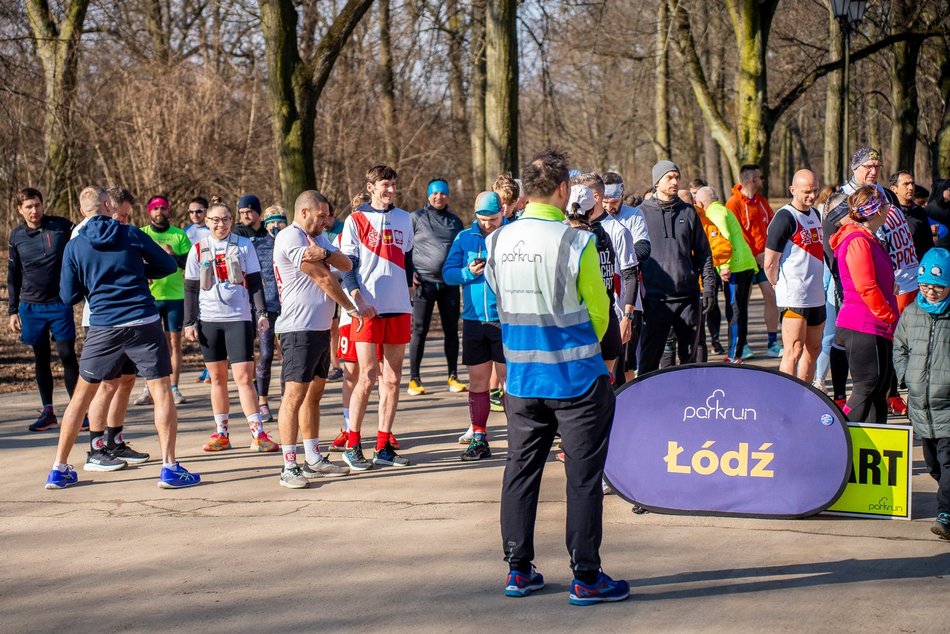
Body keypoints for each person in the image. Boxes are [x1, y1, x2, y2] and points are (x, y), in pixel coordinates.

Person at [483, 147, 627, 604]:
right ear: (564, 190)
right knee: (582, 478)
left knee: (520, 472)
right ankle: (586, 576)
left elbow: (496, 295)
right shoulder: (577, 241)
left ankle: (518, 570)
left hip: (522, 379)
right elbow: (599, 312)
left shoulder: (496, 241)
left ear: (526, 191)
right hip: (576, 379)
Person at [47, 185, 199, 490]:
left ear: (82, 211)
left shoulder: (75, 245)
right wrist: (142, 270)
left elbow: (67, 295)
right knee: (161, 391)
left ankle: (59, 469)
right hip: (142, 320)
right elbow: (168, 265)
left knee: (81, 396)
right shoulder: (128, 233)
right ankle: (169, 468)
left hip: (103, 325)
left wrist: (91, 285)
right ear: (107, 204)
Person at [272, 190, 358, 488]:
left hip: (320, 328)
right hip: (297, 329)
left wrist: (323, 252)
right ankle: (288, 465)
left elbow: (347, 264)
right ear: (304, 212)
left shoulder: (320, 240)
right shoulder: (289, 237)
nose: (326, 221)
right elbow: (323, 277)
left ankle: (312, 458)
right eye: (321, 216)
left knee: (314, 395)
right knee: (293, 396)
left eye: (327, 215)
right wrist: (350, 308)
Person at [183, 197, 278, 453]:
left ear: (231, 221)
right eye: (215, 220)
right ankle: (221, 433)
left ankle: (258, 434)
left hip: (238, 318)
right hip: (209, 320)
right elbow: (191, 289)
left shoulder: (243, 245)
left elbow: (256, 282)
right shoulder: (199, 248)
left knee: (244, 378)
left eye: (225, 220)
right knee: (217, 378)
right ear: (207, 221)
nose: (220, 225)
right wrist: (189, 322)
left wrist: (261, 313)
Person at [339, 164, 414, 470]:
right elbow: (348, 265)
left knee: (393, 379)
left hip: (398, 307)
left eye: (394, 184)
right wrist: (356, 298)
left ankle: (383, 445)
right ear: (370, 187)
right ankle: (353, 443)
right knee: (367, 377)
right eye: (386, 184)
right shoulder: (355, 219)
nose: (391, 190)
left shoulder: (405, 218)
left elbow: (407, 259)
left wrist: (407, 293)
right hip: (367, 308)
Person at [73, 187, 150, 472]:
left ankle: (115, 440)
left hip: (130, 317)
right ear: (107, 207)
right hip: (102, 321)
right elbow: (79, 279)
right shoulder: (81, 235)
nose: (125, 221)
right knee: (106, 384)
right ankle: (96, 448)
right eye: (122, 215)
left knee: (126, 381)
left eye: (129, 217)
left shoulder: (122, 232)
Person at [8, 187, 80, 432]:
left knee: (68, 356)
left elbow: (84, 239)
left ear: (43, 204)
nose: (34, 210)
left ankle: (78, 412)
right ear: (20, 209)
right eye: (28, 206)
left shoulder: (61, 226)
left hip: (60, 304)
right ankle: (48, 412)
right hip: (31, 307)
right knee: (41, 359)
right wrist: (12, 310)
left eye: (37, 204)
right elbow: (13, 275)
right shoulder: (16, 236)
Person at [442, 191, 506, 460]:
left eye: (493, 219)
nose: (488, 224)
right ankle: (479, 437)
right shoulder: (464, 238)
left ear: (503, 212)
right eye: (483, 219)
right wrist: (468, 272)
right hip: (474, 320)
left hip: (506, 320)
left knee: (509, 382)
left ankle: (520, 436)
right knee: (478, 381)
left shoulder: (513, 235)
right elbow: (447, 273)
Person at [637, 161, 716, 374]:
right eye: (669, 177)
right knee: (650, 360)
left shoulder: (689, 212)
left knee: (690, 359)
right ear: (657, 182)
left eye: (677, 177)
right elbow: (630, 260)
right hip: (655, 300)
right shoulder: (640, 214)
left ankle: (690, 403)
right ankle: (648, 403)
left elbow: (703, 253)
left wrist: (709, 286)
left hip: (688, 297)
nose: (675, 181)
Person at [893, 248, 950, 540]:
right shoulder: (912, 312)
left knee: (948, 459)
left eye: (939, 286)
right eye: (926, 285)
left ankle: (946, 514)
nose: (931, 291)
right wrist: (905, 375)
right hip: (920, 405)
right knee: (933, 464)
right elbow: (899, 346)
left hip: (947, 405)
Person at [829, 186, 898, 423]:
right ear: (875, 211)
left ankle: (874, 450)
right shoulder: (857, 240)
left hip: (875, 325)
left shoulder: (870, 238)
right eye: (886, 205)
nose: (890, 209)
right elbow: (865, 286)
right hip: (864, 325)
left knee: (879, 391)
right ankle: (837, 438)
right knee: (866, 387)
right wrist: (888, 316)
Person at [568, 173, 640, 375]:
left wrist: (627, 316)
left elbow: (629, 274)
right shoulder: (567, 234)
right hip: (581, 316)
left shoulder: (616, 230)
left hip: (611, 315)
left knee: (611, 379)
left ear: (596, 197)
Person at [764, 170, 826, 383]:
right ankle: (784, 398)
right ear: (793, 190)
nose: (812, 196)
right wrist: (776, 285)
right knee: (794, 349)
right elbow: (770, 261)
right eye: (807, 192)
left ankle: (804, 396)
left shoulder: (816, 214)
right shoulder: (784, 217)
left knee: (814, 349)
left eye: (815, 191)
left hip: (816, 293)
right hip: (794, 295)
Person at [407, 178, 466, 396]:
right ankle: (414, 379)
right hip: (424, 282)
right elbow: (405, 248)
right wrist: (409, 272)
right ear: (428, 195)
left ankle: (453, 376)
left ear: (448, 196)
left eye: (442, 193)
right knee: (419, 330)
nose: (438, 197)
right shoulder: (416, 218)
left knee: (451, 330)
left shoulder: (455, 221)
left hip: (449, 283)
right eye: (435, 193)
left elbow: (461, 250)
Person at [135, 195, 192, 407]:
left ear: (169, 211)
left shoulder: (179, 235)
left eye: (163, 208)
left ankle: (174, 387)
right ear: (149, 212)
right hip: (149, 296)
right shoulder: (142, 233)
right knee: (147, 345)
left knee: (174, 344)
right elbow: (132, 260)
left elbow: (191, 263)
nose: (160, 212)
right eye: (155, 208)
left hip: (175, 296)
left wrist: (173, 256)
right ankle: (147, 388)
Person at [233, 195, 282, 423]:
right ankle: (253, 398)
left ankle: (263, 401)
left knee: (265, 354)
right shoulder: (236, 235)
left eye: (248, 212)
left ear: (258, 213)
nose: (244, 216)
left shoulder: (272, 237)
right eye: (241, 212)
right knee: (246, 356)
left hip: (269, 302)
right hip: (242, 303)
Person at [695, 186, 758, 363]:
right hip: (743, 264)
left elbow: (724, 238)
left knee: (735, 311)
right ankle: (739, 350)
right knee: (739, 310)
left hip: (735, 267)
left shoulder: (714, 213)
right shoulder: (722, 209)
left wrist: (724, 266)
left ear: (700, 203)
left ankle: (734, 354)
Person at [726, 164, 781, 358]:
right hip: (745, 262)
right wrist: (754, 254)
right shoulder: (733, 203)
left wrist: (769, 252)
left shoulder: (761, 201)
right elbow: (736, 233)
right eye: (760, 177)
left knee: (771, 296)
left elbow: (773, 225)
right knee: (742, 303)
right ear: (752, 180)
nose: (763, 180)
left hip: (764, 260)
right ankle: (743, 344)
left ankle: (773, 343)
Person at [890, 171, 936, 262]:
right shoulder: (885, 212)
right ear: (894, 188)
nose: (911, 188)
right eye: (906, 184)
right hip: (893, 267)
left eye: (912, 183)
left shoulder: (919, 212)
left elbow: (928, 244)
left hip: (916, 266)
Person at [323, 202, 346, 381]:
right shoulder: (317, 231)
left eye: (327, 217)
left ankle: (340, 362)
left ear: (333, 215)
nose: (325, 221)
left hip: (342, 281)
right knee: (330, 326)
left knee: (338, 326)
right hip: (325, 281)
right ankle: (332, 364)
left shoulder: (343, 228)